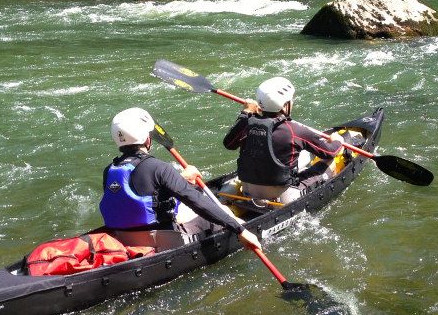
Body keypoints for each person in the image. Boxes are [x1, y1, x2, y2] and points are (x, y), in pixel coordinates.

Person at [100, 107, 261, 250]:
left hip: (123, 238)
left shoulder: (110, 170)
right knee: (223, 211)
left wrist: (180, 178)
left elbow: (142, 192)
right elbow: (197, 201)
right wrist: (240, 230)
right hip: (161, 239)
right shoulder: (158, 167)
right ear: (147, 139)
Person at [223, 76, 344, 203]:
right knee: (329, 161)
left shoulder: (247, 124)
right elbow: (329, 152)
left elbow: (229, 144)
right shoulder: (295, 130)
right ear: (285, 106)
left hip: (248, 191)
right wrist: (337, 140)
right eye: (291, 100)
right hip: (283, 198)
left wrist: (246, 112)